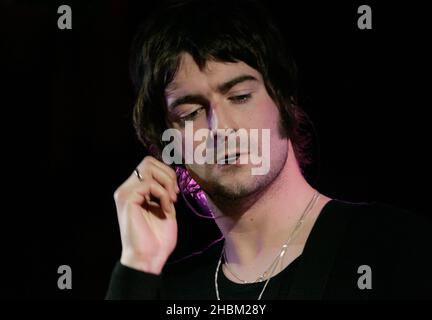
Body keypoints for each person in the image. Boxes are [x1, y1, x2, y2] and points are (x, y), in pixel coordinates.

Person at [106, 0, 431, 299]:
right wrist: (139, 263)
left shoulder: (394, 246)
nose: (221, 128)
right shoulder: (170, 291)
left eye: (241, 96)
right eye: (191, 113)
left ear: (284, 98)